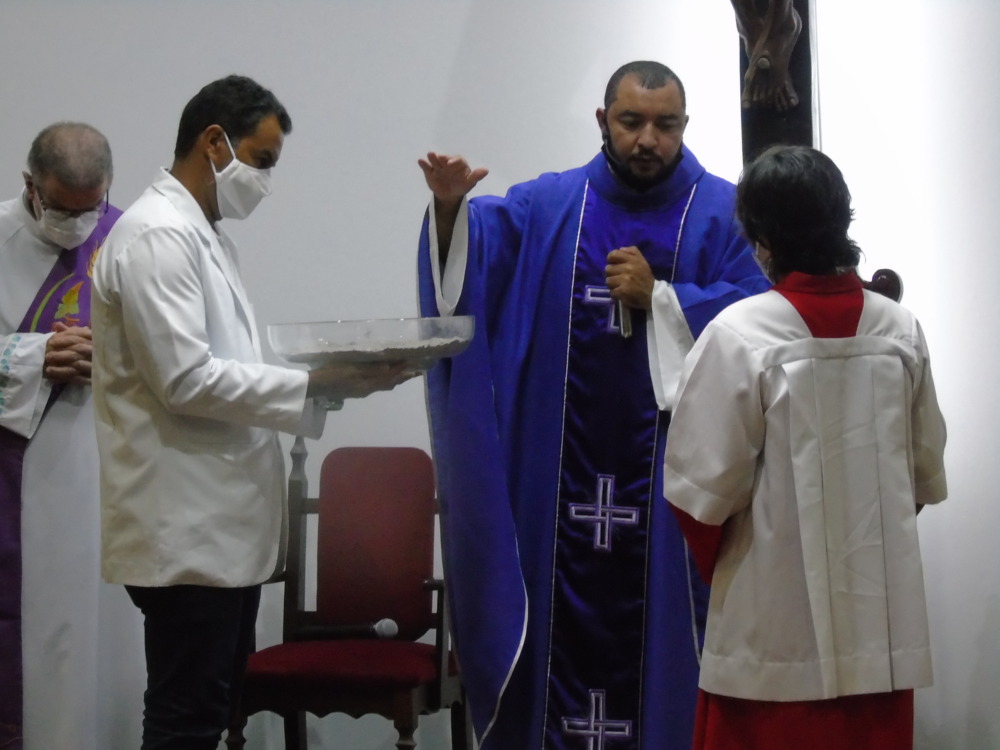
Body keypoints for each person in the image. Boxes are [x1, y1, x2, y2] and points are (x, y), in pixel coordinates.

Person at [416, 61, 770, 750]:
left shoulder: (723, 214)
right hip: (558, 497)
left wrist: (663, 300)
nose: (648, 140)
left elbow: (759, 317)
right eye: (631, 122)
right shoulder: (548, 207)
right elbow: (474, 266)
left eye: (665, 125)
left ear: (685, 127)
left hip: (672, 496)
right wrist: (452, 213)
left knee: (669, 650)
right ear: (603, 120)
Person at [91, 75, 414, 750]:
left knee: (210, 711)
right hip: (183, 530)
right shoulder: (157, 237)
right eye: (261, 161)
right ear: (214, 143)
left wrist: (329, 387)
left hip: (215, 529)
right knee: (185, 719)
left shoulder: (203, 236)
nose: (265, 182)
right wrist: (312, 383)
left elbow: (230, 369)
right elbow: (185, 380)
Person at [663, 145, 947, 750]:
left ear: (762, 238)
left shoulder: (739, 335)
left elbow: (699, 500)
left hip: (769, 638)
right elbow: (921, 479)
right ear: (842, 218)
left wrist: (753, 568)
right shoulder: (900, 331)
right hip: (878, 634)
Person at [0, 122, 144, 750]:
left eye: (92, 208)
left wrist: (110, 354)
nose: (79, 225)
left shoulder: (133, 239)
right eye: (61, 208)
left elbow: (178, 351)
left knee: (106, 643)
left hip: (114, 477)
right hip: (21, 478)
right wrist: (33, 356)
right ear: (29, 185)